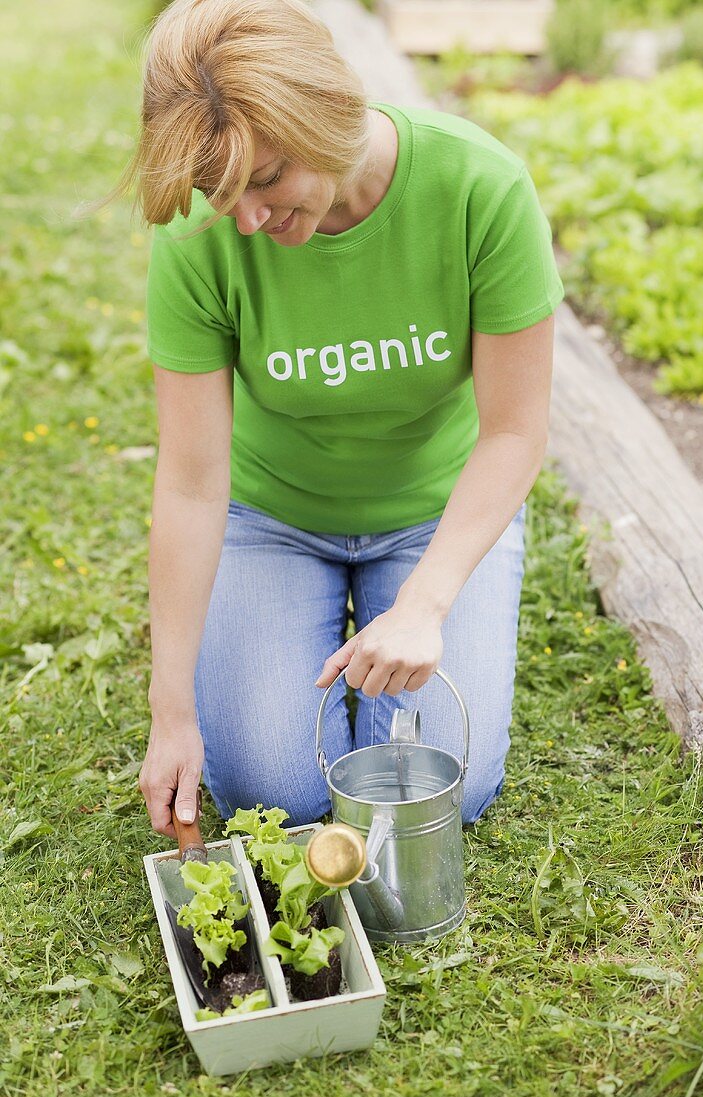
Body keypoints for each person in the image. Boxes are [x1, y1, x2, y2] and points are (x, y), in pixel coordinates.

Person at [104, 0, 564, 838]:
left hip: (434, 516)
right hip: (271, 519)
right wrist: (170, 709)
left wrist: (425, 604)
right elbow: (194, 483)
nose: (244, 219)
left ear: (330, 115)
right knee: (274, 789)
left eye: (267, 180)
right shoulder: (203, 240)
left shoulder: (478, 188)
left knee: (441, 790)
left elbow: (512, 432)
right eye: (220, 192)